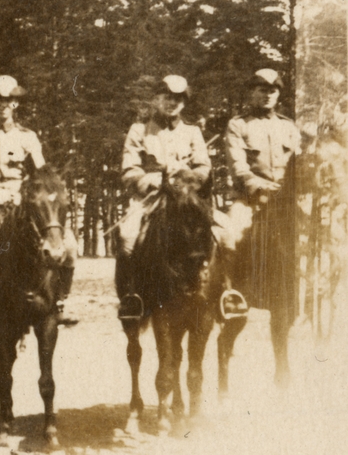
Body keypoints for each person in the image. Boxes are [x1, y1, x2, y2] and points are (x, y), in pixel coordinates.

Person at [0, 75, 77, 328]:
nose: (3, 104)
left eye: (9, 100)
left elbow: (40, 175)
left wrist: (26, 195)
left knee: (69, 246)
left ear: (16, 104)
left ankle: (61, 300)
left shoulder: (28, 137)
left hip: (23, 203)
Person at [115, 75, 211, 319]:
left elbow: (203, 168)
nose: (172, 102)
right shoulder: (139, 130)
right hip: (151, 199)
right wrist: (149, 180)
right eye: (167, 96)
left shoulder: (192, 132)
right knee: (127, 237)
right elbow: (130, 168)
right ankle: (131, 297)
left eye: (178, 98)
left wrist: (186, 178)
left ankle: (216, 291)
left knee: (220, 233)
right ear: (155, 98)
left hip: (184, 198)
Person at [216, 69, 302, 294]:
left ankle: (313, 289)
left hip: (286, 199)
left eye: (272, 91)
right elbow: (238, 168)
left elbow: (298, 163)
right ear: (251, 93)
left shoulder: (289, 126)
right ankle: (230, 293)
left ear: (278, 95)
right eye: (262, 90)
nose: (268, 95)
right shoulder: (239, 125)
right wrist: (260, 185)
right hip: (249, 199)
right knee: (230, 237)